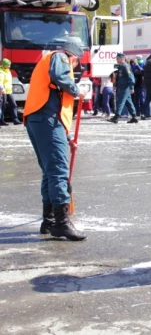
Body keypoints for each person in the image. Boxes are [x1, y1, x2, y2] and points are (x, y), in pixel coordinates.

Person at [22, 42, 87, 241]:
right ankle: (61, 223)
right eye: (75, 65)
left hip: (40, 118)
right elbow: (59, 77)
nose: (73, 69)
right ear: (74, 56)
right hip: (45, 119)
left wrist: (67, 137)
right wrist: (77, 91)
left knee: (50, 172)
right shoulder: (60, 56)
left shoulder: (50, 59)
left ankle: (49, 221)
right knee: (58, 170)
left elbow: (55, 106)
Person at [108, 53, 139, 124]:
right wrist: (115, 85)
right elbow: (118, 77)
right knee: (128, 103)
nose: (116, 59)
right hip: (121, 87)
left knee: (120, 102)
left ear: (122, 58)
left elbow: (131, 77)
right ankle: (134, 117)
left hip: (125, 87)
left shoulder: (126, 66)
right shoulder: (121, 67)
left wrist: (132, 87)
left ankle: (116, 117)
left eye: (118, 58)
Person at [0, 58, 22, 125]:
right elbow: (0, 81)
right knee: (2, 106)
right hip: (3, 91)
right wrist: (2, 89)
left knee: (14, 105)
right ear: (4, 65)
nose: (9, 66)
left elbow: (9, 81)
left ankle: (16, 120)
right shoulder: (1, 72)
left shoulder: (8, 71)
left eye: (9, 65)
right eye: (7, 65)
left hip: (9, 91)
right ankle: (1, 120)